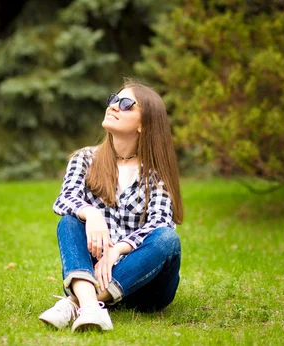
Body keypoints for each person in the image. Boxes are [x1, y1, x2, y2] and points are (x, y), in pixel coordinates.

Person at [39, 79, 184, 332]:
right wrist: (91, 213)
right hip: (93, 275)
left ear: (144, 124)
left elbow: (160, 222)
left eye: (126, 104)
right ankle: (91, 306)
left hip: (147, 287)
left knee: (167, 239)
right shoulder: (85, 159)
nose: (114, 106)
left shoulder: (155, 173)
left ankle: (76, 303)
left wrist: (117, 250)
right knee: (70, 220)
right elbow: (65, 199)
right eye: (113, 100)